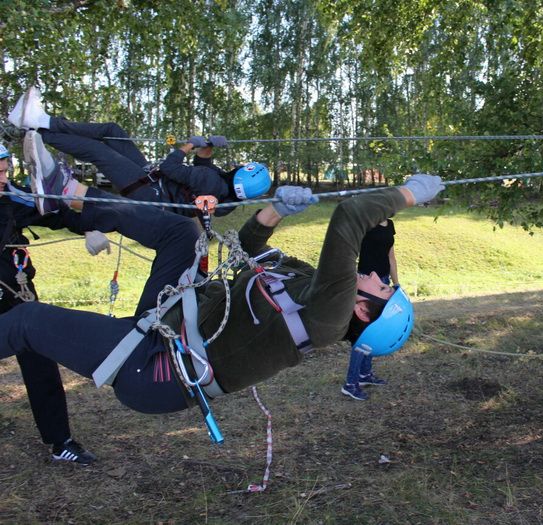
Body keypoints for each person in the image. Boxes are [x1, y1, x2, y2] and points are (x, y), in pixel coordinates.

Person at [0, 130, 443, 440]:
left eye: (382, 288)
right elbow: (252, 245)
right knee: (182, 232)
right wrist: (275, 212)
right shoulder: (308, 285)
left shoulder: (330, 316)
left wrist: (408, 193)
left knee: (25, 322)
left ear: (364, 311)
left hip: (157, 370)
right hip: (175, 319)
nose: (377, 278)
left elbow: (350, 217)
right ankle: (68, 195)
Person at [7, 87, 270, 217]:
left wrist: (188, 145)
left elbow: (171, 168)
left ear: (240, 174)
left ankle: (39, 129)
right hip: (152, 183)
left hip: (150, 189)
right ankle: (43, 121)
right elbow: (204, 166)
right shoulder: (222, 192)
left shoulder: (211, 183)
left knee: (99, 151)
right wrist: (208, 145)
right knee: (113, 130)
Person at [0, 140, 104, 464]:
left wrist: (89, 226)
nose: (3, 176)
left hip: (18, 296)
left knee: (39, 360)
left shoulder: (9, 195)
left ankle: (60, 442)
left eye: (5, 169)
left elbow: (48, 210)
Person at [342, 218, 399, 400]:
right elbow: (348, 250)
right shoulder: (365, 223)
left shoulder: (389, 224)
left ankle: (365, 374)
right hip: (367, 285)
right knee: (363, 333)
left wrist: (396, 283)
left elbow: (391, 256)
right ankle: (350, 383)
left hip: (383, 282)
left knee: (374, 331)